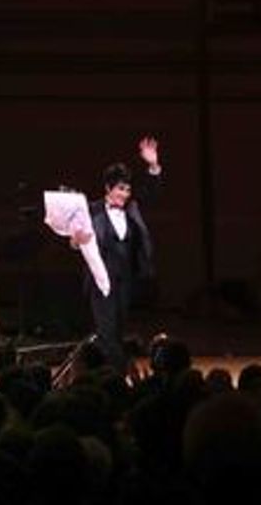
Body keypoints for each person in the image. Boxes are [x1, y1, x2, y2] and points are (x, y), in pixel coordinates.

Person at [74, 136, 162, 373]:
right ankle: (124, 372)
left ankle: (108, 374)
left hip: (125, 281)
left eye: (127, 189)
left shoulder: (132, 207)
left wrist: (153, 166)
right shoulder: (91, 210)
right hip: (100, 282)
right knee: (107, 331)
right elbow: (76, 238)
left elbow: (151, 193)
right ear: (108, 188)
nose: (125, 194)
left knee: (117, 331)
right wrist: (76, 241)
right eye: (120, 189)